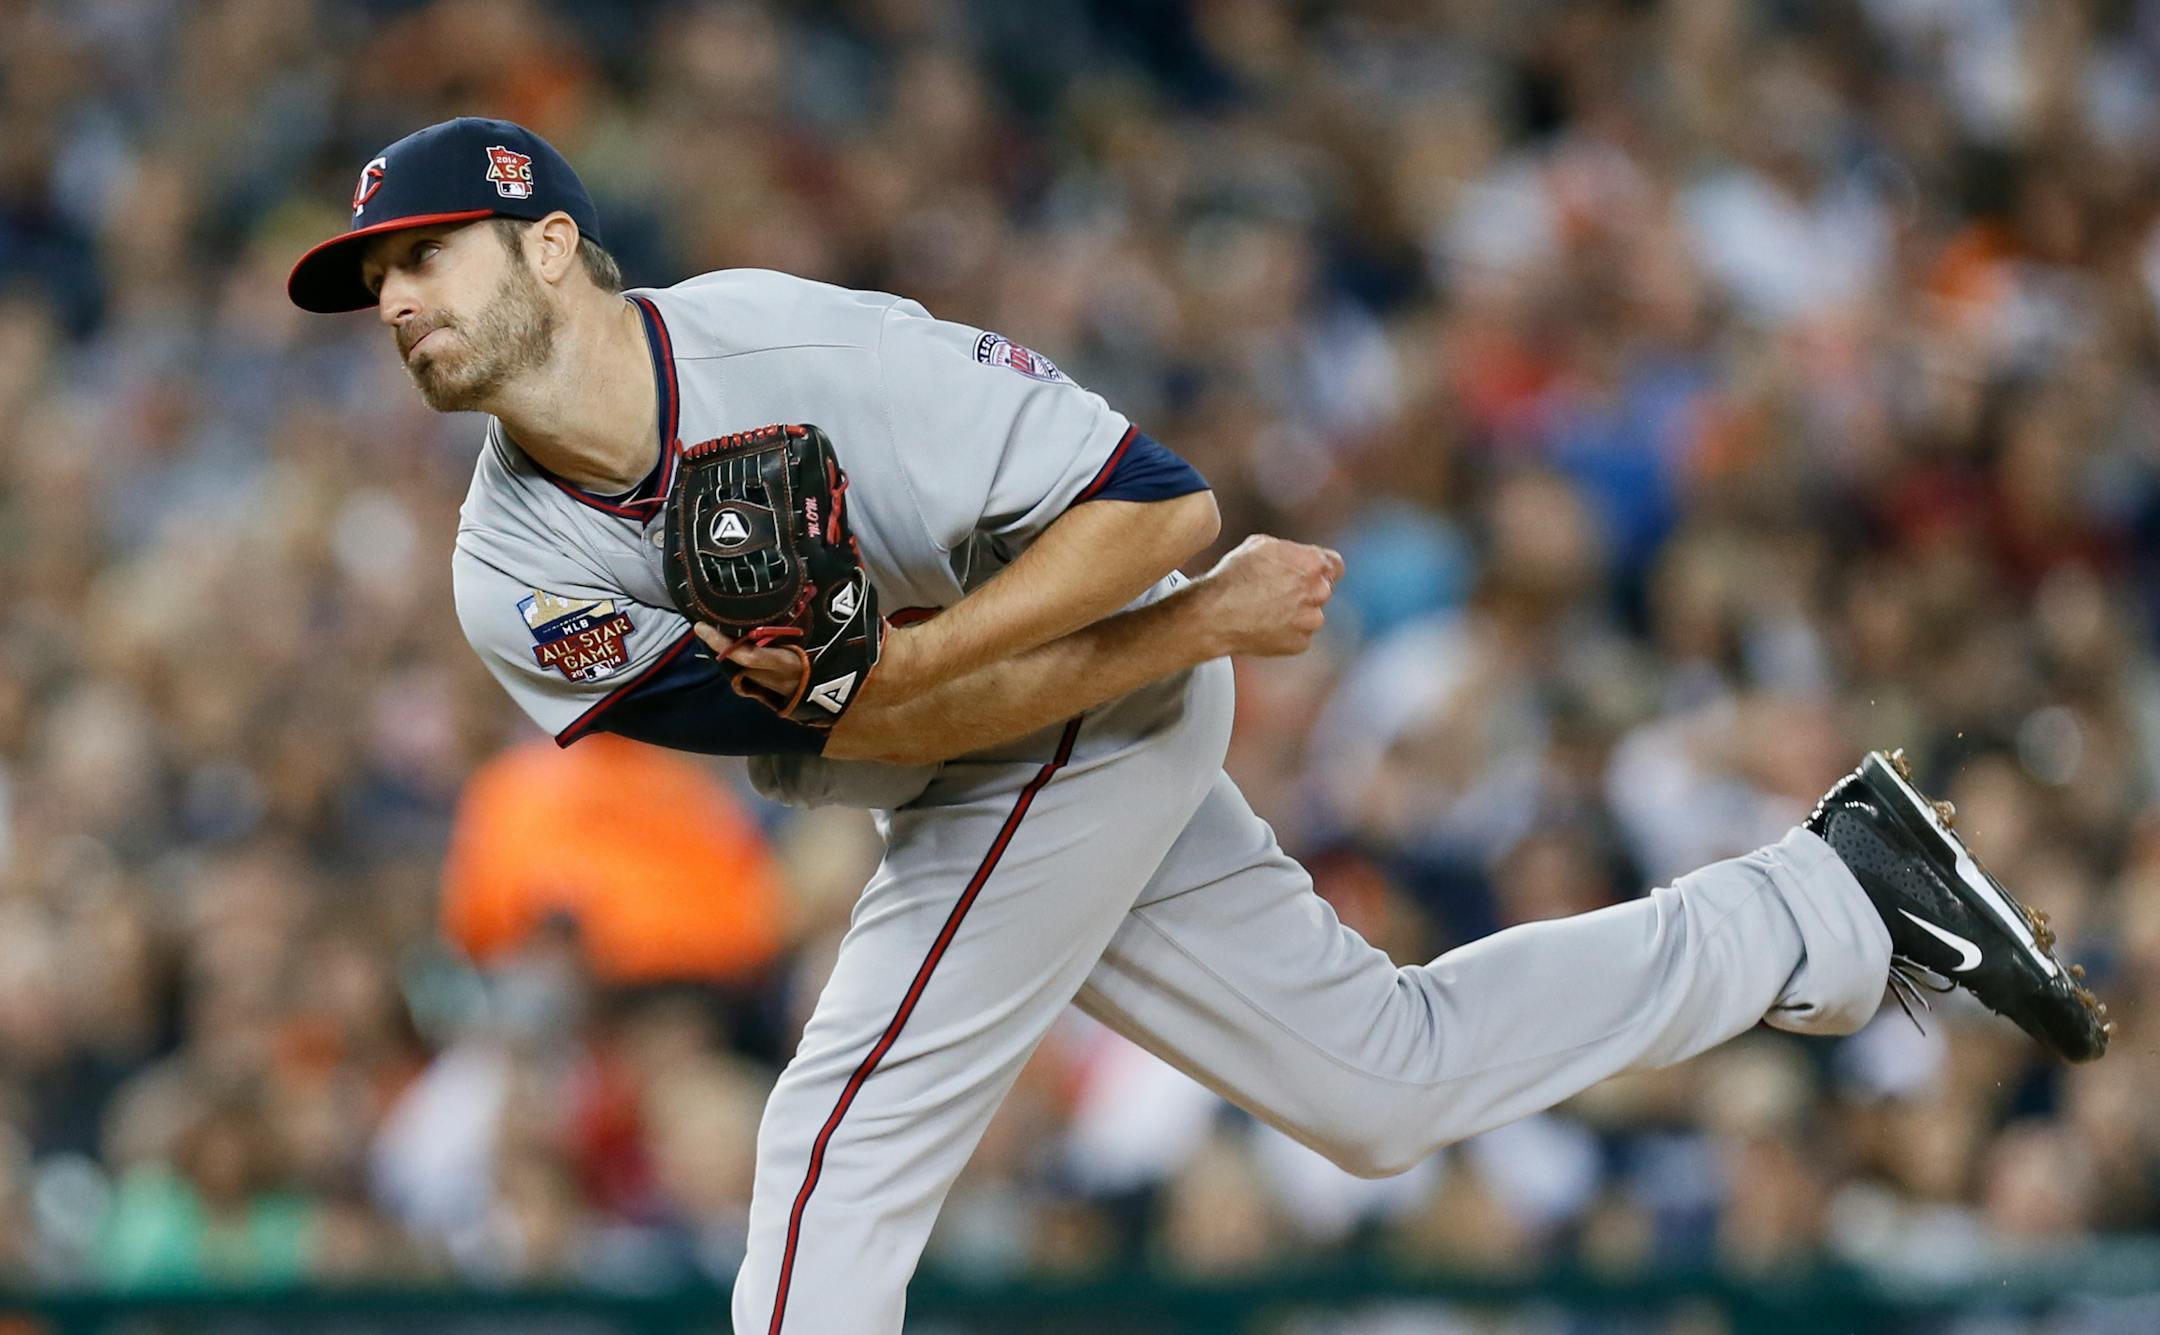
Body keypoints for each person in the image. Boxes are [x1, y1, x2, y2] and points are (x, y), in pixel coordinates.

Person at [288, 119, 2108, 1334]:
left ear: (554, 244)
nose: (395, 301)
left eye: (424, 255)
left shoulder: (804, 352)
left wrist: (1150, 625)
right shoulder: (509, 570)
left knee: (833, 1128)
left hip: (1114, 678)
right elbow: (843, 743)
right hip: (983, 740)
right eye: (372, 283)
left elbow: (1161, 508)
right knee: (1381, 1088)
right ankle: (1823, 906)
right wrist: (955, 675)